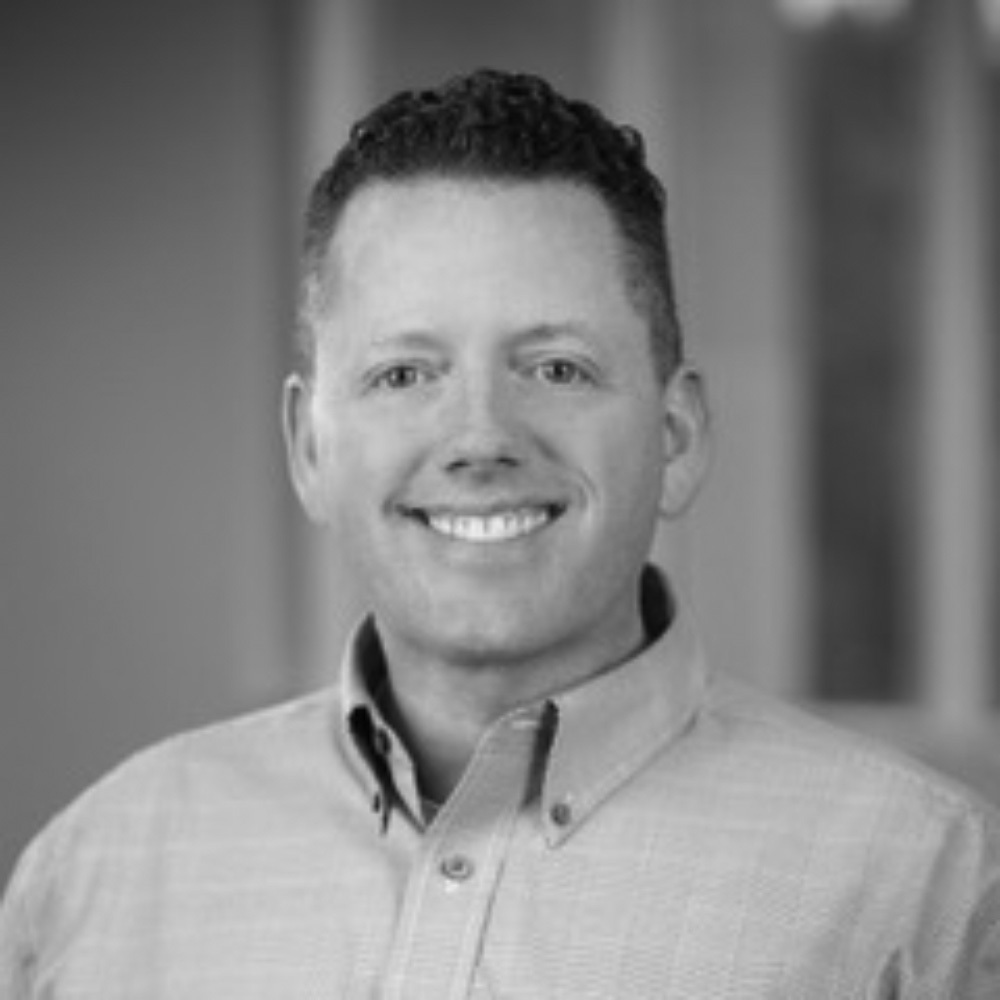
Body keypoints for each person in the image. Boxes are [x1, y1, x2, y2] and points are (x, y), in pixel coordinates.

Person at [2, 68, 998, 999]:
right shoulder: (97, 873)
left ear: (676, 435)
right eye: (405, 374)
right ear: (310, 445)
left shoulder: (927, 889)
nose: (479, 437)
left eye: (556, 367)